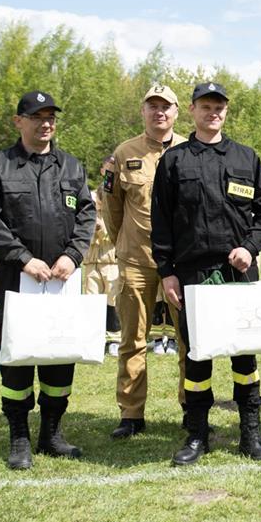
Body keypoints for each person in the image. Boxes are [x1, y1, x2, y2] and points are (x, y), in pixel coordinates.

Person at [152, 81, 261, 465]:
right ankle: (197, 434)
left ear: (226, 111)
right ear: (192, 110)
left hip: (238, 273)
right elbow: (161, 222)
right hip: (193, 274)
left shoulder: (246, 158)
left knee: (244, 358)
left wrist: (250, 247)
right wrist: (167, 272)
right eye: (206, 106)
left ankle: (250, 433)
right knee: (197, 358)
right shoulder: (174, 161)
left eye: (219, 107)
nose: (213, 113)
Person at [0, 91, 96, 470]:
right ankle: (19, 437)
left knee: (60, 355)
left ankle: (52, 433)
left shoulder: (71, 166)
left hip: (62, 279)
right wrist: (23, 259)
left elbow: (86, 215)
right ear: (18, 122)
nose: (46, 124)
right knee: (17, 358)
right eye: (37, 117)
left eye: (51, 117)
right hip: (18, 278)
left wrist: (73, 255)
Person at [103, 85, 188, 439]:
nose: (159, 112)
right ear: (143, 111)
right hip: (137, 259)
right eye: (152, 106)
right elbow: (111, 208)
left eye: (166, 106)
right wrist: (124, 243)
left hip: (182, 262)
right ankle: (131, 413)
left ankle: (192, 407)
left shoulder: (190, 149)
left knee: (189, 339)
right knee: (132, 340)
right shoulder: (124, 153)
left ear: (177, 112)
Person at [85, 177, 122, 356]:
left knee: (112, 300)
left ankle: (114, 339)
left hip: (111, 262)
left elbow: (116, 233)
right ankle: (94, 338)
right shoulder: (89, 211)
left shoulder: (113, 211)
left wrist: (102, 230)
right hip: (91, 262)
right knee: (91, 300)